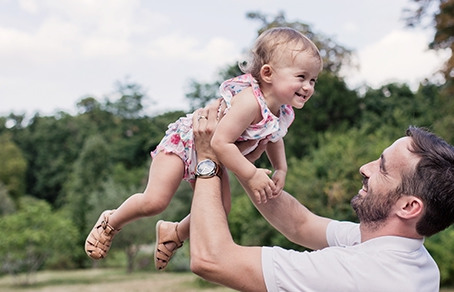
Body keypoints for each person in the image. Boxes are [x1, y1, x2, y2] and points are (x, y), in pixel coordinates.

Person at [188, 100, 454, 292]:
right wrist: (240, 163)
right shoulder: (413, 259)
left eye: (383, 169)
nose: (365, 169)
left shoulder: (358, 274)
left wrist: (208, 159)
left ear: (409, 206)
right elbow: (300, 224)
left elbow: (211, 259)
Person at [84, 27, 322, 269]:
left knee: (221, 210)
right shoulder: (250, 101)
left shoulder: (282, 111)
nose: (308, 87)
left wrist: (280, 168)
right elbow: (219, 141)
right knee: (155, 201)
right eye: (301, 77)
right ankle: (111, 221)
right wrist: (250, 175)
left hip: (213, 157)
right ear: (268, 73)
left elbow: (274, 136)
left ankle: (174, 233)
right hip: (187, 142)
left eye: (313, 80)